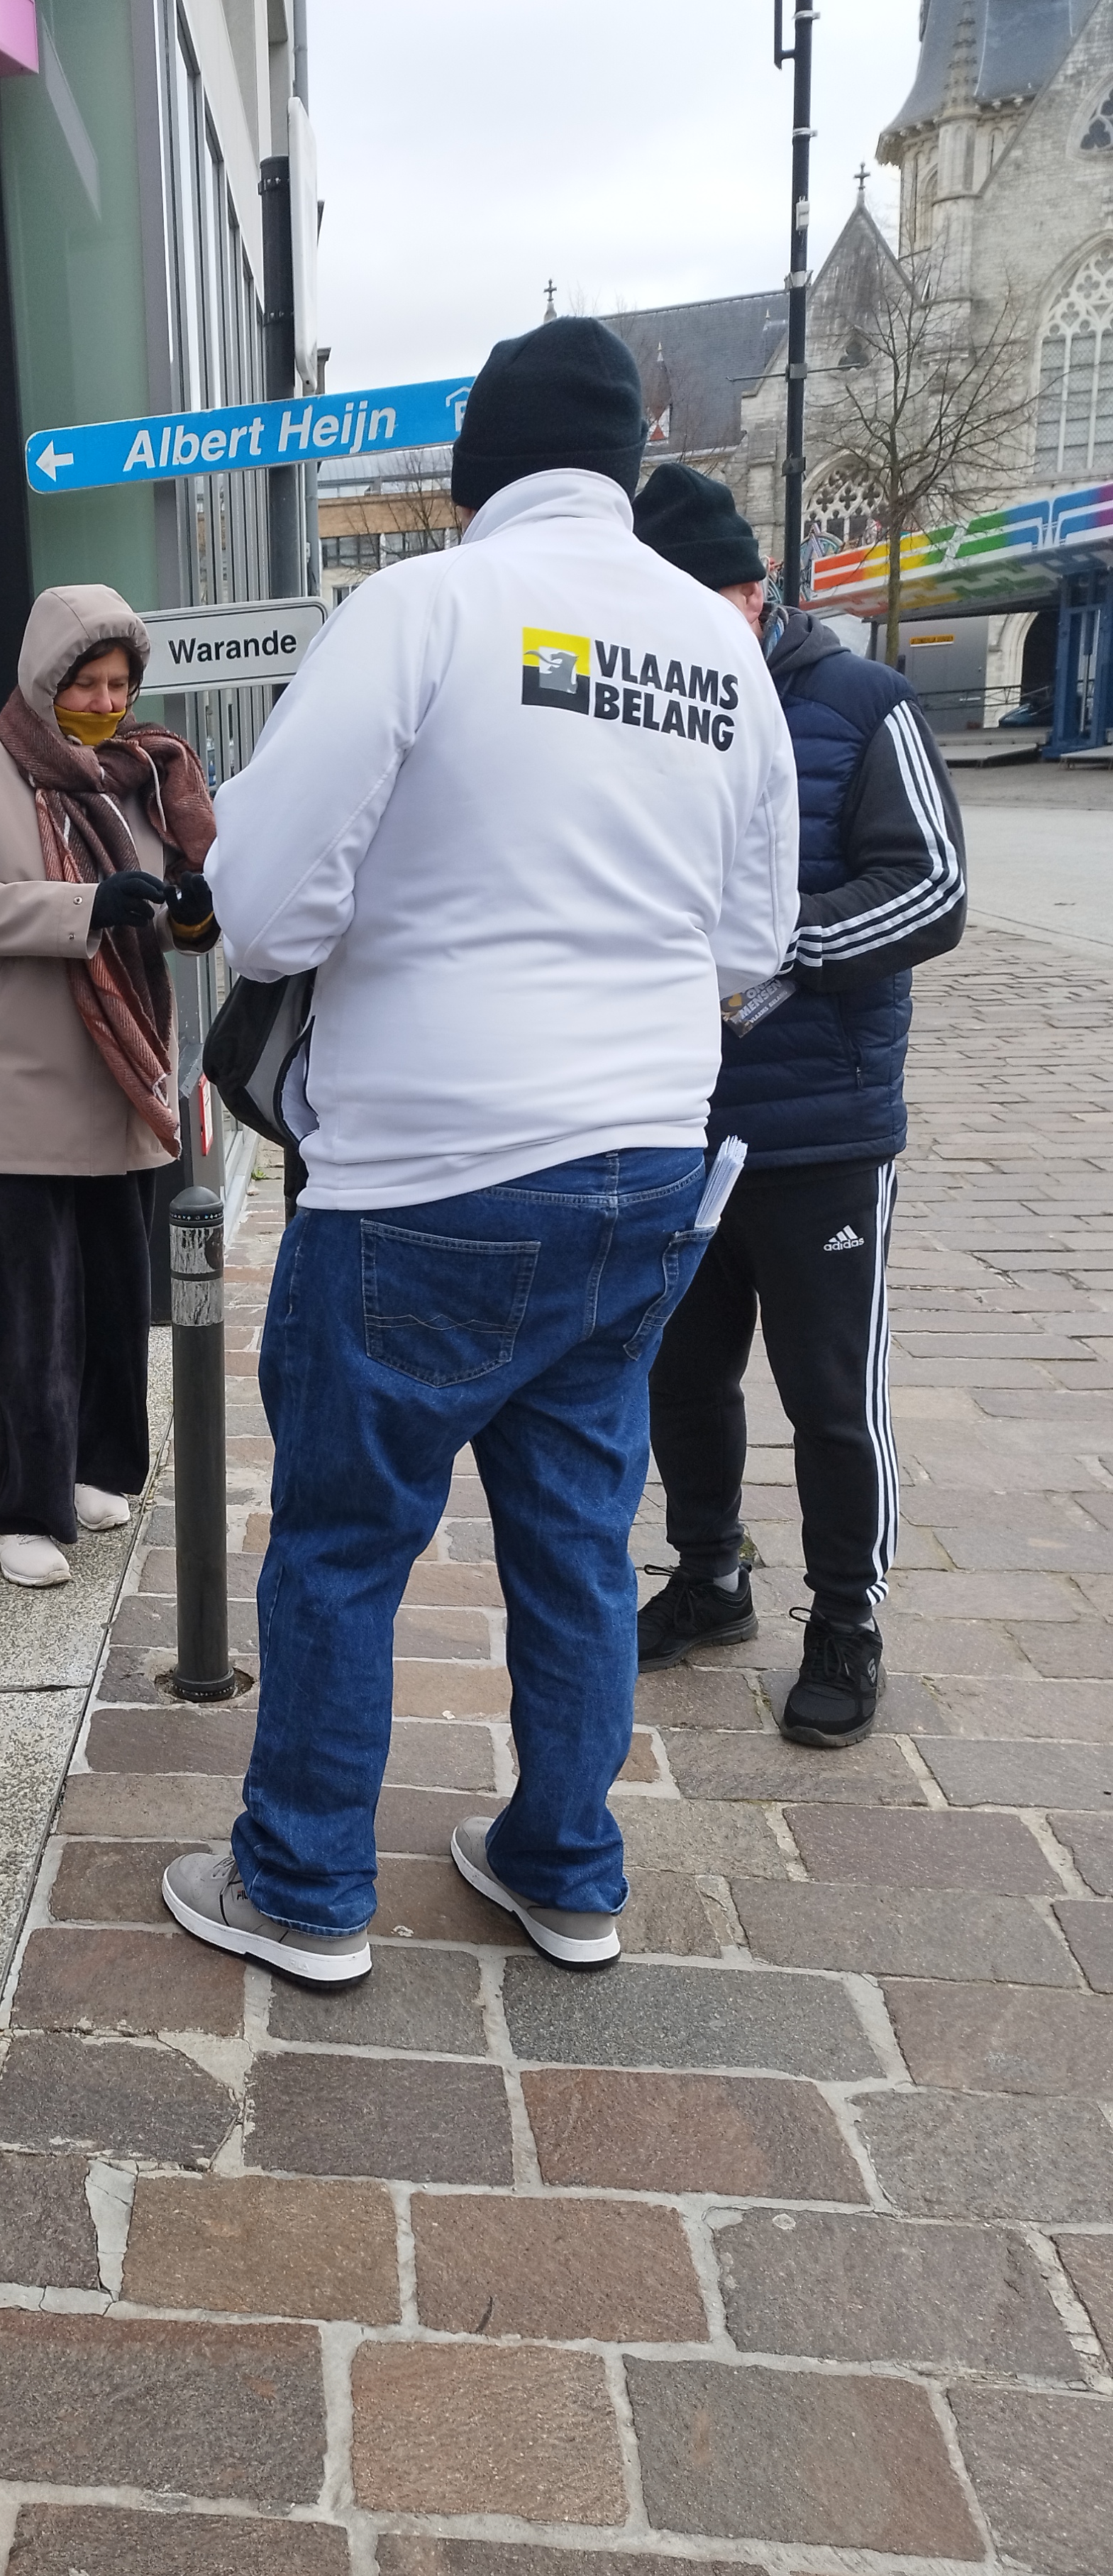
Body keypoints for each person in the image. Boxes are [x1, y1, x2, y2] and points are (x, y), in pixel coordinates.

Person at [161, 319, 799, 1979]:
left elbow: (260, 908)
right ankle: (564, 1865)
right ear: (627, 466)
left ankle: (302, 1885)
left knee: (344, 1538)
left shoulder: (422, 610)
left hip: (426, 1172)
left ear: (474, 472)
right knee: (578, 1530)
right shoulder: (718, 645)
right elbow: (755, 944)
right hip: (644, 1167)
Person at [630, 463, 965, 1745]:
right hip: (672, 1121)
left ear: (758, 589)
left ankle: (846, 1618)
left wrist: (778, 945)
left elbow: (932, 889)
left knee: (829, 1393)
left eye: (709, 603)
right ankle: (710, 1578)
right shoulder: (640, 707)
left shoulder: (863, 704)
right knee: (682, 1376)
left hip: (822, 1125)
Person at [0, 585, 218, 1588]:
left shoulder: (141, 774)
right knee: (38, 1310)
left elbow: (159, 912)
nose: (105, 702)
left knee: (117, 1298)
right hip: (18, 1083)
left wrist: (188, 914)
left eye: (119, 684)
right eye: (86, 683)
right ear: (46, 679)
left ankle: (95, 1467)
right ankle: (20, 1513)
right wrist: (84, 905)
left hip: (117, 1077)